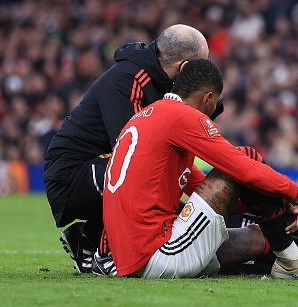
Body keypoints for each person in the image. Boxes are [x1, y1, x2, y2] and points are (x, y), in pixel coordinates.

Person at [96, 58, 298, 280]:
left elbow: (202, 185)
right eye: (215, 104)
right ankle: (295, 261)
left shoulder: (147, 117)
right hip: (157, 253)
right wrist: (291, 191)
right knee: (244, 156)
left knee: (260, 238)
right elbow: (240, 167)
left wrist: (272, 201)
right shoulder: (180, 116)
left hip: (126, 256)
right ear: (208, 98)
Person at [44, 24, 219, 273]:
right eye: (201, 68)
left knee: (177, 216)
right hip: (71, 175)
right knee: (141, 172)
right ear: (184, 68)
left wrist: (204, 193)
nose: (204, 75)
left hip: (103, 167)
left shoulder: (163, 87)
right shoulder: (127, 79)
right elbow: (132, 153)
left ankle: (88, 237)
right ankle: (105, 253)